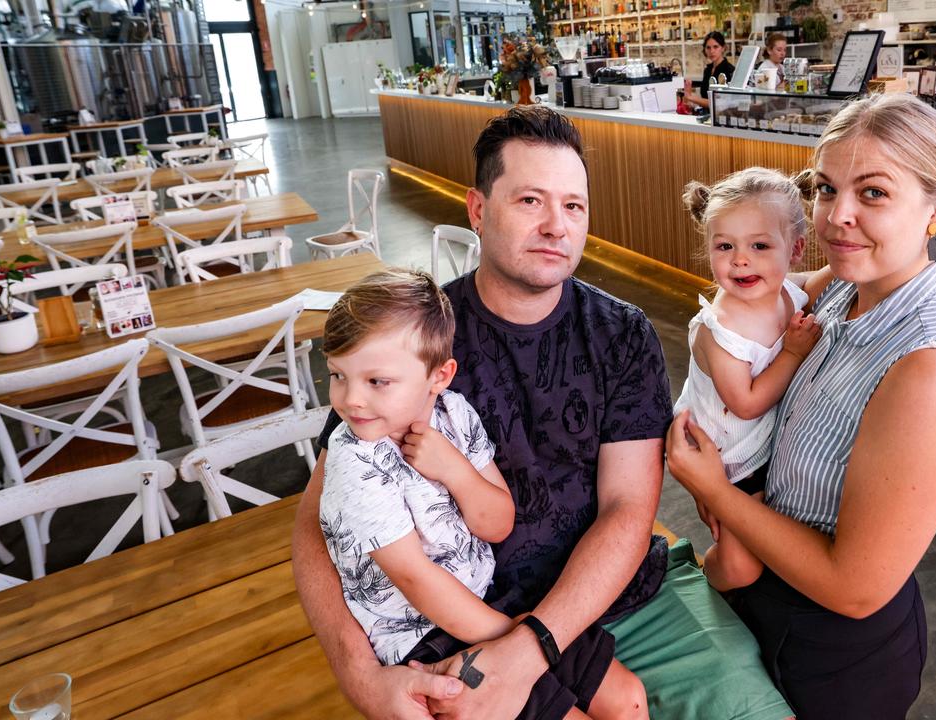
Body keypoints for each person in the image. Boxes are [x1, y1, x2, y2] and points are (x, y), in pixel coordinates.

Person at [293, 105, 791, 720]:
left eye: (573, 206)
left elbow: (627, 511)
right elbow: (318, 525)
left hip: (619, 596)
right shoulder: (413, 342)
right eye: (531, 201)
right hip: (461, 619)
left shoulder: (622, 334)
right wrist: (362, 679)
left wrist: (532, 649)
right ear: (477, 210)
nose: (557, 225)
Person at [666, 92, 936, 719]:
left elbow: (854, 589)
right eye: (825, 189)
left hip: (832, 654)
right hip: (764, 597)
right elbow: (752, 304)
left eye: (873, 193)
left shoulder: (933, 367)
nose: (835, 217)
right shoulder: (847, 286)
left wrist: (717, 492)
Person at [317, 269, 645, 720]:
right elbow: (415, 580)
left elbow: (496, 521)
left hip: (494, 597)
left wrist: (456, 470)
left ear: (440, 376)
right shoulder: (354, 460)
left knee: (628, 699)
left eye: (376, 381)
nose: (350, 400)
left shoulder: (453, 412)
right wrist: (519, 641)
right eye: (338, 375)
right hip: (429, 634)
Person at [673, 168, 822, 593]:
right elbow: (746, 403)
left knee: (767, 555)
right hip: (726, 461)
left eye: (759, 245)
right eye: (725, 246)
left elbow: (829, 276)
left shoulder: (787, 293)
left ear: (795, 250)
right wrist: (793, 352)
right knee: (741, 568)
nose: (741, 259)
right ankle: (700, 582)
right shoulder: (720, 330)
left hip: (760, 452)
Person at [683, 32, 735, 110]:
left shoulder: (729, 70)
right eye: (708, 48)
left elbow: (720, 104)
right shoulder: (708, 70)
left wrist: (691, 97)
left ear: (723, 48)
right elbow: (705, 98)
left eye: (715, 47)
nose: (712, 51)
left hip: (721, 117)